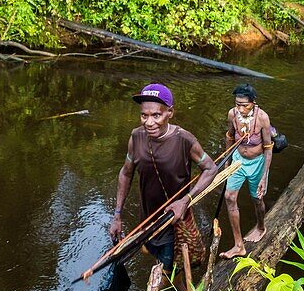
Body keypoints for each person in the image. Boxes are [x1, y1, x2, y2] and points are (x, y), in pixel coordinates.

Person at [108, 83, 216, 280]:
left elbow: (211, 168)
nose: (149, 122)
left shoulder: (184, 139)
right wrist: (117, 215)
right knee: (164, 267)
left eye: (156, 115)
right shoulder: (136, 137)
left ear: (170, 113)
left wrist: (186, 200)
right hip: (147, 219)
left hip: (173, 221)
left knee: (163, 280)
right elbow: (126, 173)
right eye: (144, 115)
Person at [220, 83, 272, 259]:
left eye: (245, 105)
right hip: (238, 161)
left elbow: (268, 147)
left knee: (257, 199)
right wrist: (227, 163)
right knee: (229, 197)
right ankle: (238, 245)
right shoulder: (232, 114)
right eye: (237, 104)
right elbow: (229, 137)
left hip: (257, 163)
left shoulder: (262, 118)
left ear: (253, 103)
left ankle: (261, 227)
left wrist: (264, 176)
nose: (241, 109)